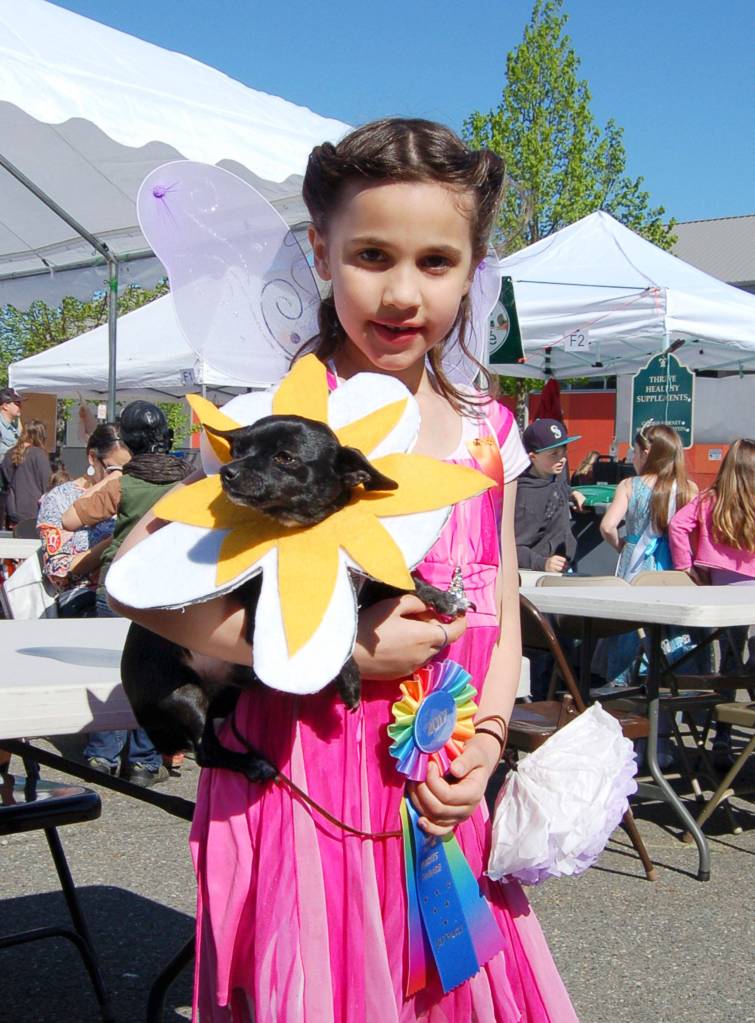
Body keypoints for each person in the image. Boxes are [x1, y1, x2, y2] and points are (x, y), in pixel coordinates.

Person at [110, 118, 579, 1021]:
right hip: (303, 783)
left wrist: (486, 743)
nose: (402, 292)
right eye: (370, 254)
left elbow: (498, 603)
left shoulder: (488, 432)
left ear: (471, 268)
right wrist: (328, 652)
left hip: (440, 785)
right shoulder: (284, 418)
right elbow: (139, 578)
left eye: (436, 262)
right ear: (321, 256)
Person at [62, 402, 190, 787]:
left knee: (110, 670)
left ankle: (101, 755)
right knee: (158, 675)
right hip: (167, 590)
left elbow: (69, 519)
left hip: (117, 586)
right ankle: (144, 762)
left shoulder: (123, 483)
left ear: (129, 441)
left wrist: (112, 474)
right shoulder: (190, 481)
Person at [668, 438, 755, 768]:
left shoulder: (710, 499)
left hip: (720, 585)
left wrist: (686, 566)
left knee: (730, 661)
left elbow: (678, 526)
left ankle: (722, 735)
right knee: (749, 661)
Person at [36, 424, 130, 613]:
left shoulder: (133, 492)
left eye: (129, 470)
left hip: (127, 591)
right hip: (81, 597)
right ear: (92, 458)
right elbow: (59, 571)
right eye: (114, 470)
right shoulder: (60, 498)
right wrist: (115, 541)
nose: (123, 478)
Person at [515, 418, 585, 574]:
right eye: (554, 454)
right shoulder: (526, 497)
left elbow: (558, 488)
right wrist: (542, 563)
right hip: (538, 574)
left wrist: (572, 493)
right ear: (533, 457)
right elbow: (512, 546)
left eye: (564, 451)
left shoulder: (553, 473)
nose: (562, 459)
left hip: (564, 563)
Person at [0, 419, 51, 529]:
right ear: (41, 436)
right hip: (34, 512)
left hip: (12, 511)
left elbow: (5, 484)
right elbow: (47, 485)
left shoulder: (9, 454)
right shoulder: (39, 454)